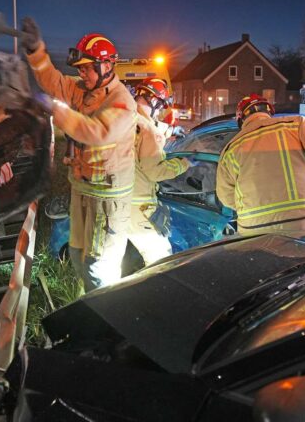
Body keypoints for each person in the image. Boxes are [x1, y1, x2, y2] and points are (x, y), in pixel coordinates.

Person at [20, 18, 136, 291]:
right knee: (76, 256)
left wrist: (56, 110)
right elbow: (54, 81)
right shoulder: (86, 91)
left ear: (106, 66)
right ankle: (89, 313)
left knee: (99, 268)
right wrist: (36, 50)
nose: (82, 75)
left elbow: (95, 131)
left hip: (107, 201)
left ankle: (107, 322)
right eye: (80, 70)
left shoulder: (121, 101)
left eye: (87, 69)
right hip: (82, 190)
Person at [216, 94, 305, 235]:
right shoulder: (294, 125)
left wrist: (250, 206)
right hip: (301, 219)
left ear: (241, 120)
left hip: (254, 227)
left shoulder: (231, 150)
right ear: (269, 111)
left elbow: (225, 196)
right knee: (304, 257)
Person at [129, 78, 190, 264]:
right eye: (161, 106)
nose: (161, 112)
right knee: (160, 259)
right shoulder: (149, 131)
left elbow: (145, 129)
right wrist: (185, 163)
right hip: (138, 206)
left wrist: (168, 130)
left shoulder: (125, 117)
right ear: (154, 101)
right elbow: (155, 172)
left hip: (116, 201)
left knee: (107, 260)